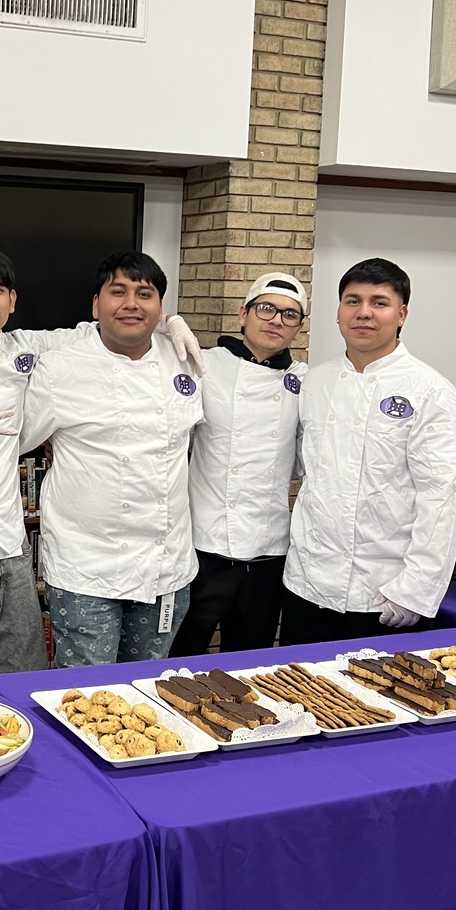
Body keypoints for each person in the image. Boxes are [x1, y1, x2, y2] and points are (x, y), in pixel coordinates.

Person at [18, 251, 204, 666]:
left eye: (145, 293)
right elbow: (19, 439)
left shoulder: (186, 359)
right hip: (86, 565)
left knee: (147, 687)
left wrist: (175, 324)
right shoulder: (61, 366)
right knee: (84, 695)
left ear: (161, 307)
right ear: (95, 304)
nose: (131, 303)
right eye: (117, 292)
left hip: (165, 567)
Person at [281, 257, 456, 644]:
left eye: (379, 303)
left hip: (383, 595)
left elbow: (442, 500)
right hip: (307, 585)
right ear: (338, 312)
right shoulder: (316, 381)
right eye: (353, 301)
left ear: (401, 314)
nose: (363, 313)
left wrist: (416, 589)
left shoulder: (431, 392)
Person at [171, 272, 309, 656]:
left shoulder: (304, 381)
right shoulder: (202, 365)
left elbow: (301, 461)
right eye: (266, 309)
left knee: (251, 661)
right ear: (243, 314)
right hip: (202, 546)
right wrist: (170, 322)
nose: (276, 320)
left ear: (298, 328)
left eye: (290, 315)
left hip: (268, 551)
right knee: (181, 655)